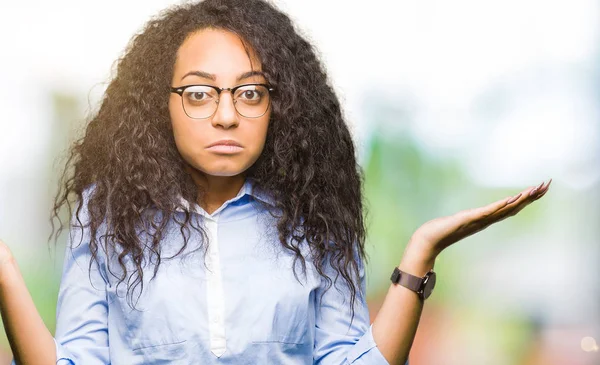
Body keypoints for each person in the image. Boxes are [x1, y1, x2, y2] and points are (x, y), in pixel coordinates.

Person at [0, 0, 552, 364]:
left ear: (277, 107)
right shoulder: (108, 216)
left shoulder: (313, 219)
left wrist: (420, 254)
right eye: (198, 92)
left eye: (249, 92)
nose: (225, 115)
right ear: (158, 107)